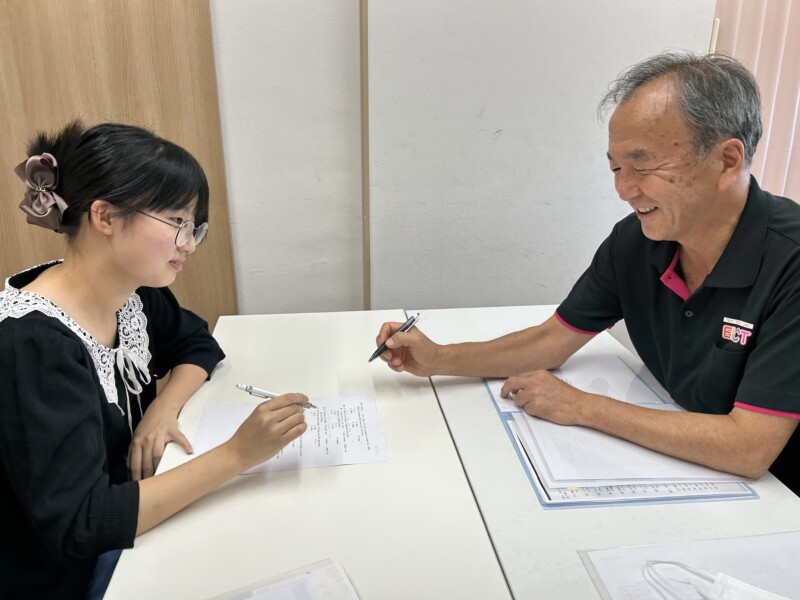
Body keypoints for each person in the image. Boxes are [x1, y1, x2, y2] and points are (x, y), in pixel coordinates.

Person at [374, 52, 800, 495]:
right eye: (616, 168)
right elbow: (552, 340)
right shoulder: (636, 242)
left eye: (643, 165)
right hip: (687, 467)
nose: (624, 190)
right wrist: (438, 358)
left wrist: (583, 407)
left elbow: (749, 448)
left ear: (726, 161)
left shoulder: (790, 264)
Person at [0, 121, 309, 599]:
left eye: (194, 226)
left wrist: (162, 410)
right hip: (72, 576)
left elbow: (197, 344)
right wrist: (237, 454)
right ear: (105, 216)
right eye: (176, 222)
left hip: (136, 531)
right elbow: (82, 525)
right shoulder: (35, 345)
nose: (189, 244)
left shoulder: (131, 295)